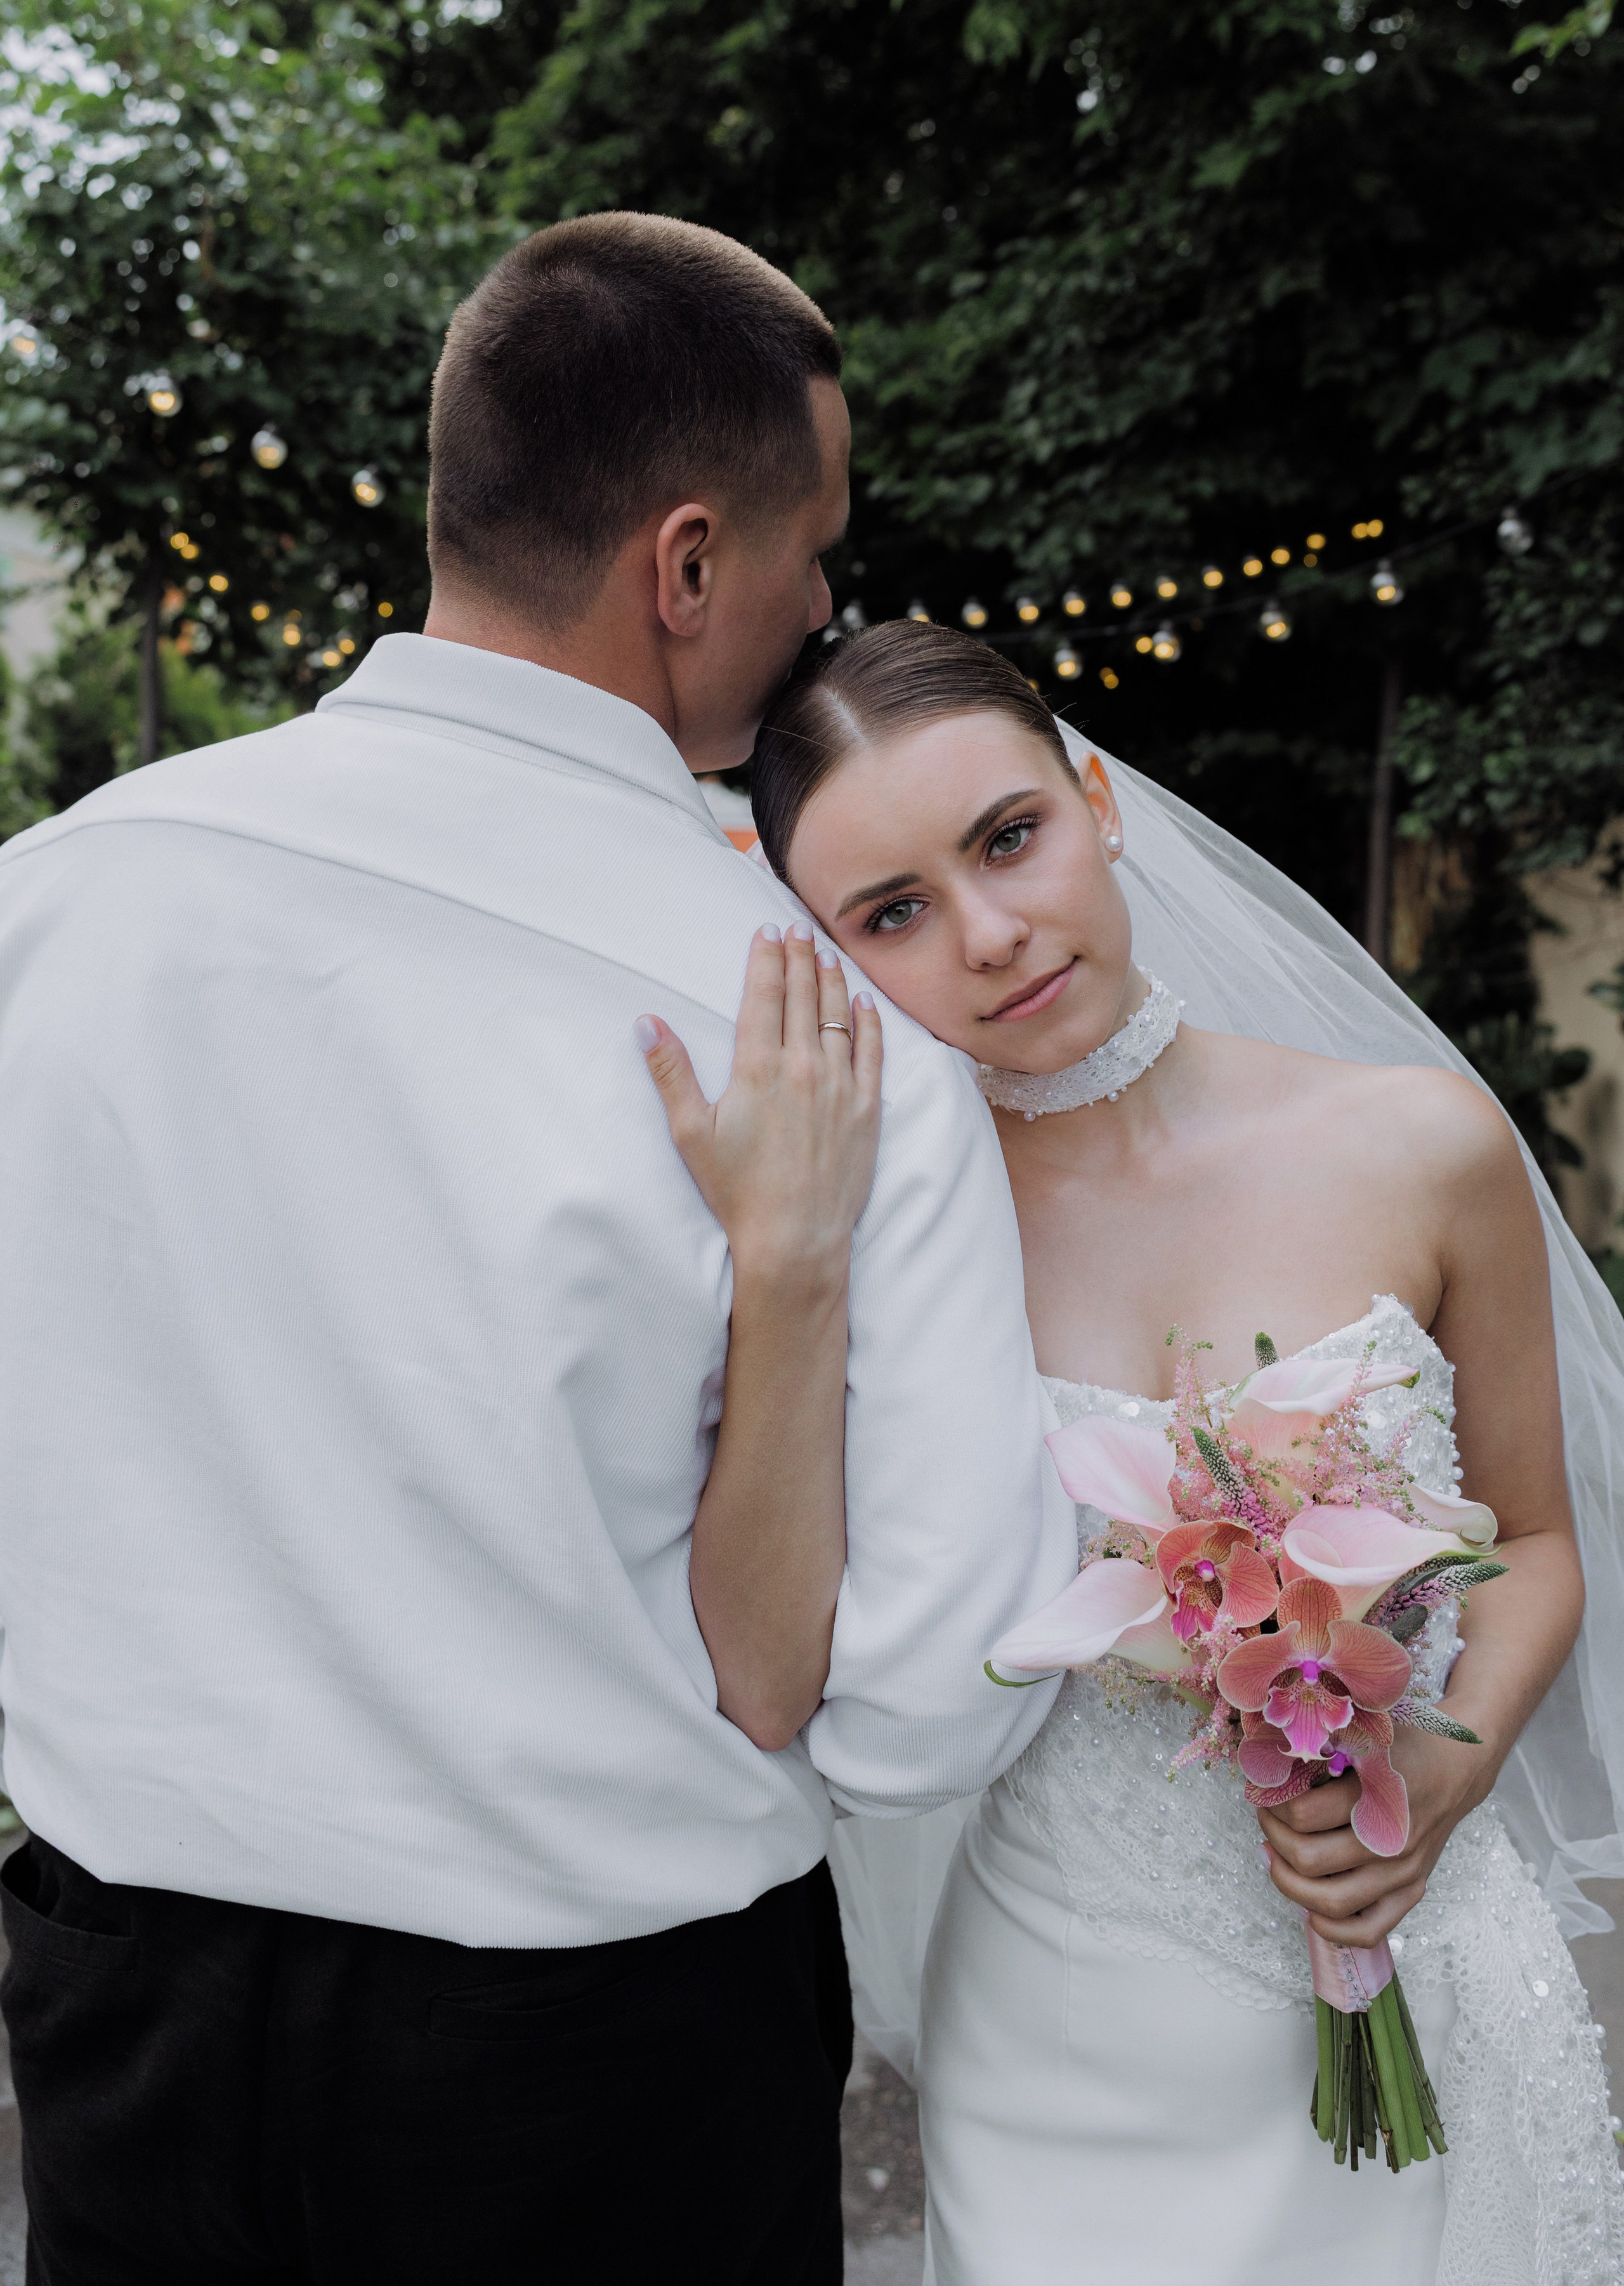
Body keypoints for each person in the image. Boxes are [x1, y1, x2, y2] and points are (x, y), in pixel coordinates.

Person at [0, 225, 1077, 2282]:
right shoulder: (826, 1049)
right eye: (810, 546)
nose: (826, 601)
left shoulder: (42, 906)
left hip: (118, 2020)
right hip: (607, 2067)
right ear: (684, 568)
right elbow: (921, 1705)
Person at [707, 617, 1624, 2284]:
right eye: (893, 913)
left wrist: (1438, 1770)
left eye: (1010, 837)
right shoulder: (890, 1243)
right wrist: (786, 1266)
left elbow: (1543, 1546)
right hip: (1066, 2033)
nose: (989, 935)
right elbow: (775, 1661)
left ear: (1102, 798)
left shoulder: (1419, 1143)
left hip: (1406, 1938)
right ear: (831, 957)